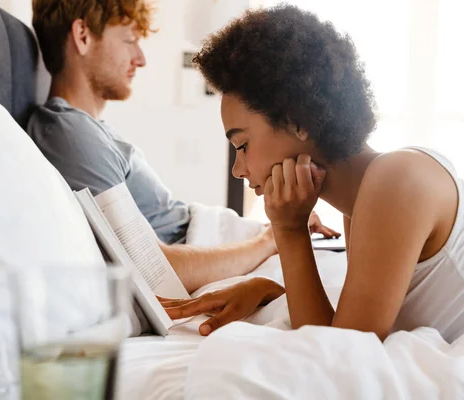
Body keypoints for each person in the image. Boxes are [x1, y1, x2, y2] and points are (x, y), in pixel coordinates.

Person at [163, 4, 464, 341]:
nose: (238, 169)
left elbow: (341, 354)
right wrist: (270, 291)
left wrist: (288, 231)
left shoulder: (396, 180)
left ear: (299, 121)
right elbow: (343, 332)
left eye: (241, 145)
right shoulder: (365, 198)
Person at [27, 0, 339, 298]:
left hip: (227, 239)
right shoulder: (70, 134)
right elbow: (152, 271)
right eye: (129, 40)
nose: (140, 58)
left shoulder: (91, 132)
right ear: (82, 36)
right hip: (224, 250)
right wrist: (274, 237)